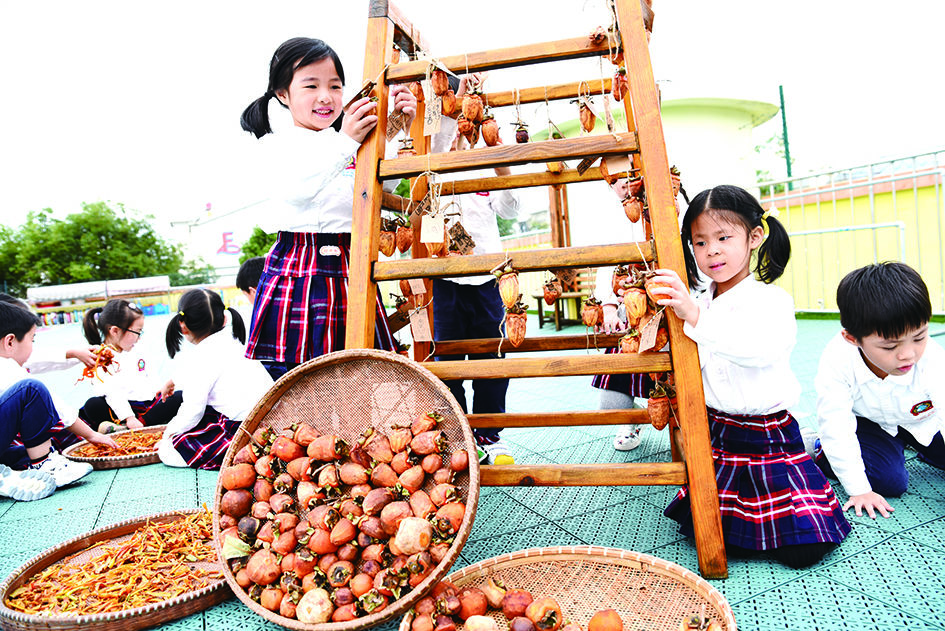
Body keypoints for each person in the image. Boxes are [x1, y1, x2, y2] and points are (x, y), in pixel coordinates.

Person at [651, 184, 850, 568]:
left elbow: (758, 351)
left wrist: (693, 315)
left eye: (724, 237)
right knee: (712, 536)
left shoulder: (771, 300)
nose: (712, 251)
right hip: (721, 434)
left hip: (769, 434)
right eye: (700, 242)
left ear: (754, 236)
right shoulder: (701, 300)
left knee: (804, 550)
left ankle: (816, 451)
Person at [240, 37, 418, 380]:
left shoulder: (345, 142)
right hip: (300, 272)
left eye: (335, 86)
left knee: (359, 381)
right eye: (311, 85)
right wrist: (347, 141)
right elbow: (297, 190)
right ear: (282, 94)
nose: (326, 96)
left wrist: (401, 132)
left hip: (353, 269)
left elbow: (379, 191)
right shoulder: (276, 146)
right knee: (302, 387)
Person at [432, 75, 520, 465]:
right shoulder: (435, 149)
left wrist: (498, 157)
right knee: (447, 361)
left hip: (487, 276)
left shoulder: (487, 153)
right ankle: (458, 433)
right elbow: (433, 144)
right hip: (445, 279)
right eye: (460, 108)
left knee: (492, 360)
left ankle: (490, 434)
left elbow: (511, 210)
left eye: (473, 111)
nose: (465, 116)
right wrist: (455, 101)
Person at [814, 262, 945, 519]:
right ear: (852, 339)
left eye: (919, 337)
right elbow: (837, 425)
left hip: (921, 420)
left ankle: (915, 446)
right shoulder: (837, 360)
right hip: (870, 423)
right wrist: (859, 490)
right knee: (888, 481)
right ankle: (817, 448)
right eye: (889, 347)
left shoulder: (932, 358)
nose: (908, 354)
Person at [0, 302, 117, 498]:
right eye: (32, 340)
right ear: (10, 341)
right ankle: (44, 464)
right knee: (32, 390)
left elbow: (37, 360)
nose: (32, 347)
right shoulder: (6, 367)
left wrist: (75, 354)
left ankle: (11, 474)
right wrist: (91, 435)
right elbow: (54, 404)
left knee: (21, 453)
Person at [158, 289, 273, 469]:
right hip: (272, 423)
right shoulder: (233, 342)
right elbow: (201, 371)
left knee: (167, 450)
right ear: (225, 319)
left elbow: (192, 411)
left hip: (244, 430)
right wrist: (172, 381)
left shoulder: (202, 357)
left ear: (182, 325)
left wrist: (168, 435)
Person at [591, 176, 653, 451]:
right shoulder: (611, 217)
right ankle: (631, 417)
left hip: (661, 303)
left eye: (631, 174)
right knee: (611, 404)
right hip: (626, 306)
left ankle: (683, 421)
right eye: (616, 180)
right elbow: (605, 264)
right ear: (609, 186)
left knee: (668, 374)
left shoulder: (661, 205)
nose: (626, 182)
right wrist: (607, 305)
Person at [79, 299, 182, 433]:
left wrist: (160, 391)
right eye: (137, 332)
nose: (139, 338)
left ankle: (133, 427)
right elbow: (112, 392)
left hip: (147, 407)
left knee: (179, 397)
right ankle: (133, 425)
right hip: (119, 410)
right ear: (115, 331)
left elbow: (150, 375)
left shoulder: (139, 348)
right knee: (93, 405)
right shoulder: (100, 356)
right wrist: (129, 417)